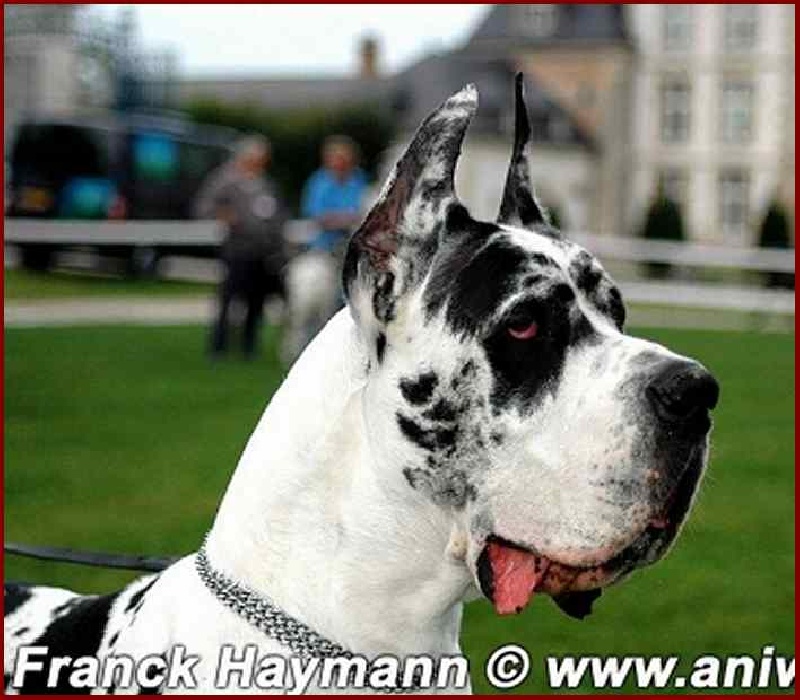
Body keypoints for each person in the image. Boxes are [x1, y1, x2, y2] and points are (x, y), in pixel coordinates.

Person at [194, 135, 287, 359]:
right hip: (237, 248)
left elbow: (278, 211)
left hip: (264, 249)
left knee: (256, 300)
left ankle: (248, 346)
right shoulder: (225, 178)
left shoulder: (266, 182)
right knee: (229, 298)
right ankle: (219, 346)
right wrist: (226, 216)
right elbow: (204, 206)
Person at [282, 136, 367, 363]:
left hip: (353, 252)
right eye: (335, 159)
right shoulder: (319, 182)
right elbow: (318, 216)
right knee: (312, 302)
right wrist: (345, 219)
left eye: (343, 159)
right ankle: (297, 350)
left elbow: (365, 212)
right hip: (324, 250)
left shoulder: (358, 180)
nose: (339, 163)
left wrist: (341, 219)